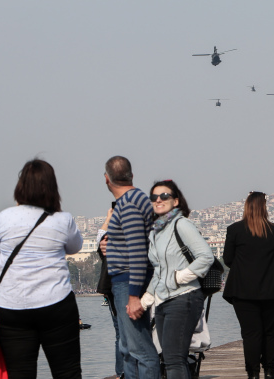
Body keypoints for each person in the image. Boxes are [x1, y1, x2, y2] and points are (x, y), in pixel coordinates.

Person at [0, 159, 84, 379]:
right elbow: (76, 247)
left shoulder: (4, 218)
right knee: (67, 372)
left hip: (12, 306)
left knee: (20, 374)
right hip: (56, 303)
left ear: (21, 186)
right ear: (52, 188)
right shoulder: (63, 220)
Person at [143, 180, 213, 379]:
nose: (158, 200)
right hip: (164, 300)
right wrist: (147, 297)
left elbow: (206, 257)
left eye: (164, 196)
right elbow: (158, 269)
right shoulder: (156, 232)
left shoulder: (181, 224)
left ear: (175, 201)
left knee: (174, 359)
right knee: (169, 357)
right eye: (154, 197)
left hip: (184, 296)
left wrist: (180, 277)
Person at [223, 192, 274, 379]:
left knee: (250, 334)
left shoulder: (234, 230)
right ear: (264, 207)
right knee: (269, 332)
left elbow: (228, 259)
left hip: (243, 292)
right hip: (272, 290)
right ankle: (270, 372)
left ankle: (253, 374)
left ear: (246, 207)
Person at [103, 156, 160, 379]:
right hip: (126, 280)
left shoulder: (128, 205)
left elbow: (137, 252)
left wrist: (134, 295)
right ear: (131, 175)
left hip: (128, 281)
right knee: (128, 349)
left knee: (140, 349)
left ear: (106, 179)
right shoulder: (136, 200)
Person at [97, 206, 124, 379]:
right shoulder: (106, 250)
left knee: (122, 334)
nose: (105, 242)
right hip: (113, 292)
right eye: (104, 240)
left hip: (122, 289)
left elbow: (101, 235)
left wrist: (108, 219)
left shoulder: (121, 241)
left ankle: (124, 371)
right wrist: (108, 218)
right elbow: (100, 236)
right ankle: (122, 371)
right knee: (120, 334)